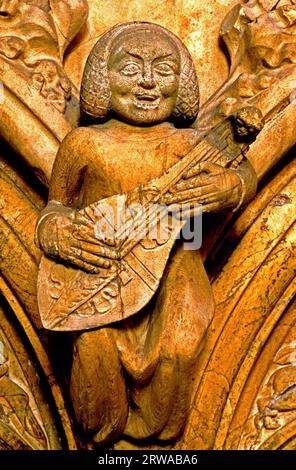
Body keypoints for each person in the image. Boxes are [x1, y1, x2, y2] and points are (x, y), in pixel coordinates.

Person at [36, 22, 257, 445]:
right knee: (92, 349)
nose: (149, 82)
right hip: (99, 271)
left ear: (185, 82)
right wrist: (57, 232)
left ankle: (157, 434)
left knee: (179, 347)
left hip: (176, 264)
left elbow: (239, 171)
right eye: (131, 68)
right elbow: (55, 206)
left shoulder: (190, 144)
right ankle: (103, 432)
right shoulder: (85, 144)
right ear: (102, 77)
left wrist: (233, 187)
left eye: (164, 69)